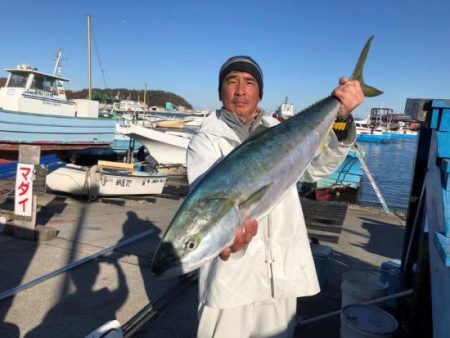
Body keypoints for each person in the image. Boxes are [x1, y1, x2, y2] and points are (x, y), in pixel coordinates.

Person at [186, 56, 363, 338]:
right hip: (231, 279)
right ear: (220, 91)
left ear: (260, 92)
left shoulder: (281, 129)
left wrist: (340, 118)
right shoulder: (206, 140)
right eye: (232, 82)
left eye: (249, 82)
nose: (240, 90)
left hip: (281, 275)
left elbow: (318, 168)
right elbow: (205, 207)